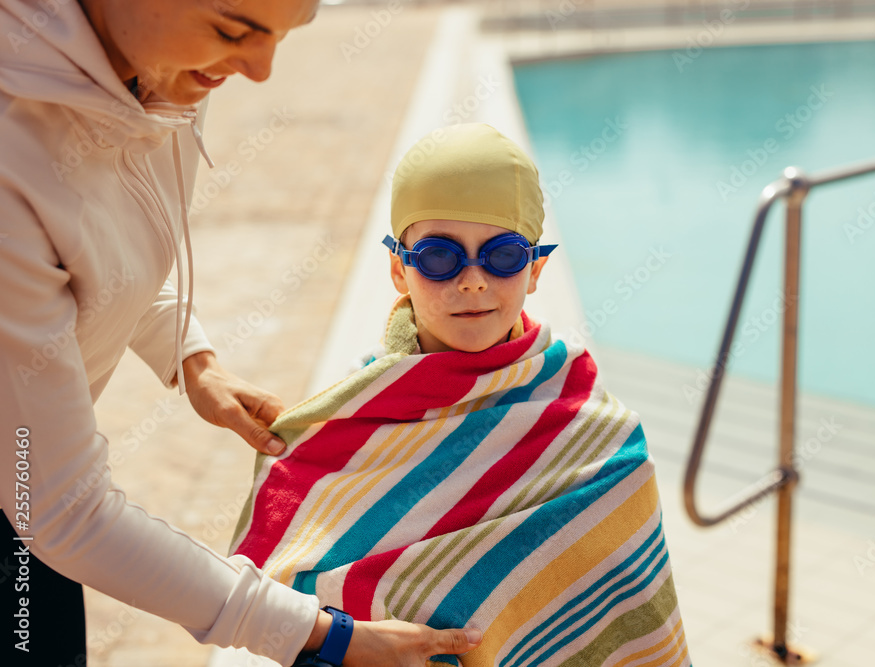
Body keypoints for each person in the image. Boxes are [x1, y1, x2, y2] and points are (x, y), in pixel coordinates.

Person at [0, 0, 480, 665]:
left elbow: (98, 244)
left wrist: (192, 355)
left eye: (284, 35)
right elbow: (60, 511)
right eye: (235, 31)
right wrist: (325, 634)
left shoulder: (159, 67)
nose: (260, 70)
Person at [230, 124, 692, 666]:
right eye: (440, 258)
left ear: (536, 269)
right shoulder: (349, 424)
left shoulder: (596, 431)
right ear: (400, 268)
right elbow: (289, 584)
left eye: (501, 256)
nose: (472, 280)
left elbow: (624, 610)